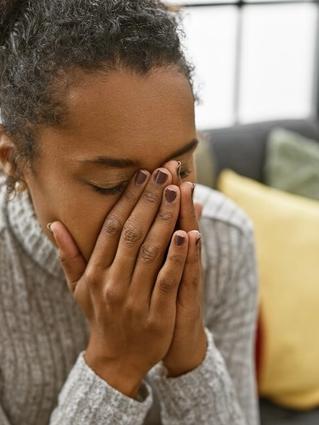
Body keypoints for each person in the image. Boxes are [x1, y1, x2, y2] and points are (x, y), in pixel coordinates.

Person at [0, 1, 260, 424]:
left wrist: (190, 359)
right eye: (113, 185)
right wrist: (114, 364)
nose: (155, 212)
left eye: (178, 170)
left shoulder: (226, 240)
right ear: (14, 160)